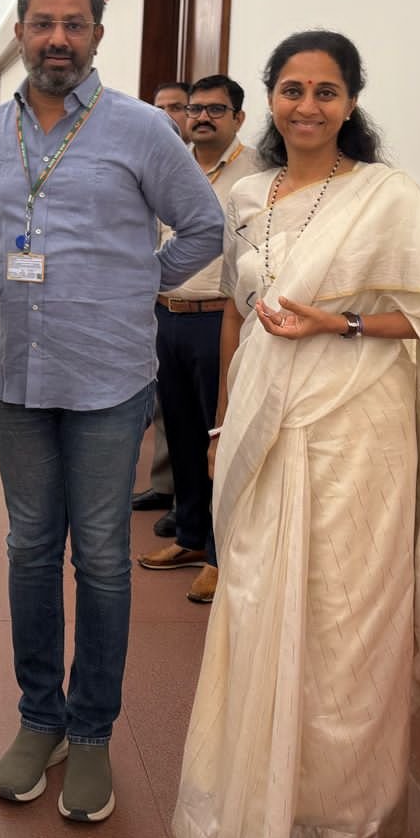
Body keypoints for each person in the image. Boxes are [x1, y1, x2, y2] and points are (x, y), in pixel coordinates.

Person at [173, 30, 420, 838]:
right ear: (271, 99)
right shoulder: (249, 196)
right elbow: (237, 316)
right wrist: (221, 422)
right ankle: (252, 794)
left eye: (326, 91)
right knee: (255, 599)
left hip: (358, 432)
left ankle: (338, 810)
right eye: (293, 89)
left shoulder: (388, 197)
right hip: (261, 421)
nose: (308, 106)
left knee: (348, 619)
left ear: (351, 102)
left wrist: (341, 322)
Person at [0, 0, 222, 824]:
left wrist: (140, 281)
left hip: (109, 378)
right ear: (19, 33)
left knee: (102, 556)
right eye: (43, 23)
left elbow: (206, 226)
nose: (58, 39)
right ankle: (41, 719)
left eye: (74, 24)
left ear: (98, 35)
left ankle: (94, 727)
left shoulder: (141, 129)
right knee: (31, 549)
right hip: (15, 380)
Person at [138, 73, 258, 605]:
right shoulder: (173, 165)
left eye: (216, 109)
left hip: (218, 320)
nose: (202, 117)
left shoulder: (258, 173)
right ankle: (188, 535)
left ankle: (218, 552)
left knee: (217, 437)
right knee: (181, 435)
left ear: (239, 118)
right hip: (168, 316)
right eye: (195, 109)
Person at [131, 81, 192, 524]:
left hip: (207, 309)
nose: (169, 116)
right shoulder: (148, 160)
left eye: (178, 107)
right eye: (160, 107)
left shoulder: (242, 171)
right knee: (164, 404)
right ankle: (166, 486)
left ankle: (189, 510)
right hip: (159, 305)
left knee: (196, 415)